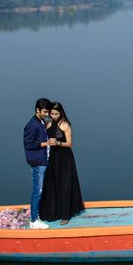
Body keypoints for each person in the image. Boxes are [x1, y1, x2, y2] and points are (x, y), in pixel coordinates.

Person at [39, 101, 85, 224]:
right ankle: (53, 211)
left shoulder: (65, 125)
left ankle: (65, 215)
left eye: (56, 114)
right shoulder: (47, 123)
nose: (53, 116)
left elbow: (69, 144)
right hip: (53, 157)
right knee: (52, 183)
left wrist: (58, 143)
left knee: (65, 184)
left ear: (61, 113)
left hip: (65, 157)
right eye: (52, 114)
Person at [23, 98, 56, 229]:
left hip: (43, 160)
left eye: (48, 112)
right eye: (45, 112)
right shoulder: (32, 125)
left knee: (41, 190)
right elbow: (28, 144)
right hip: (37, 162)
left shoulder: (41, 121)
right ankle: (34, 220)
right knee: (38, 190)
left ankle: (38, 215)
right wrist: (46, 143)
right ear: (37, 110)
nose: (47, 114)